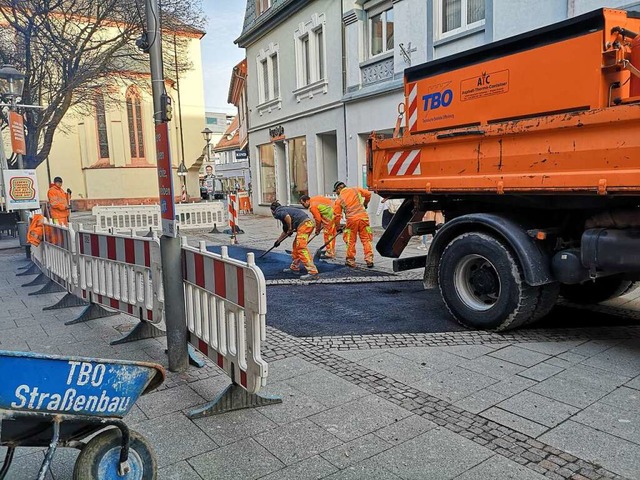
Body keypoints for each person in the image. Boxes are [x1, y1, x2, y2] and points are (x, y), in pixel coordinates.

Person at [270, 201, 319, 280]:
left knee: (301, 247)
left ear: (272, 210)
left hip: (305, 225)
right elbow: (285, 232)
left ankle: (313, 272)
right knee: (296, 246)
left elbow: (287, 217)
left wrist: (290, 228)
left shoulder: (278, 212)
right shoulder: (285, 209)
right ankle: (294, 268)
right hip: (307, 224)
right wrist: (278, 241)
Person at [332, 180, 374, 268]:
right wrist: (365, 203)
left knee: (350, 240)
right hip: (363, 218)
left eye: (336, 191)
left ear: (339, 188)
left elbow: (337, 215)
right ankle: (369, 260)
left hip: (352, 220)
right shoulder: (356, 190)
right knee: (366, 239)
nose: (336, 193)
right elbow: (368, 194)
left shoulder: (339, 199)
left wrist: (338, 227)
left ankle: (350, 260)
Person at [299, 194, 336, 259]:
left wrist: (317, 230)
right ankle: (331, 250)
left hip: (329, 216)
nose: (303, 206)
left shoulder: (312, 206)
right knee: (332, 234)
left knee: (328, 235)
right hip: (334, 212)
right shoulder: (314, 199)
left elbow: (318, 219)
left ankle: (330, 253)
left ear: (307, 201)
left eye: (303, 204)